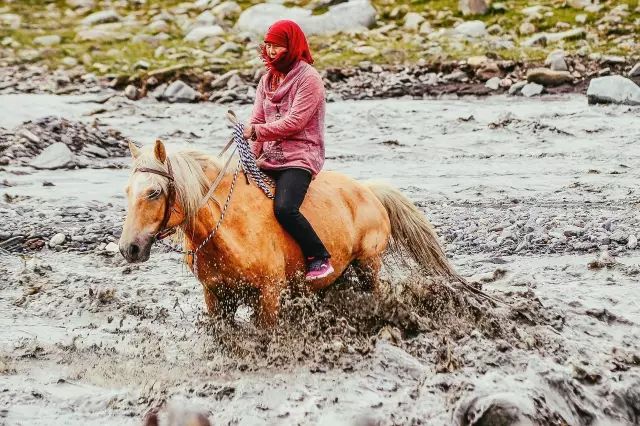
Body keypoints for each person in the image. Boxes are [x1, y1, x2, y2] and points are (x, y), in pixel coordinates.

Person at [243, 19, 333, 281]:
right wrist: (248, 156)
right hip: (269, 157)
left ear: (292, 46)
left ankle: (319, 257)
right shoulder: (266, 80)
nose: (271, 52)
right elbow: (257, 119)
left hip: (300, 157)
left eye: (278, 47)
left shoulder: (309, 79)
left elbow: (295, 122)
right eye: (268, 46)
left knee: (284, 208)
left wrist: (257, 132)